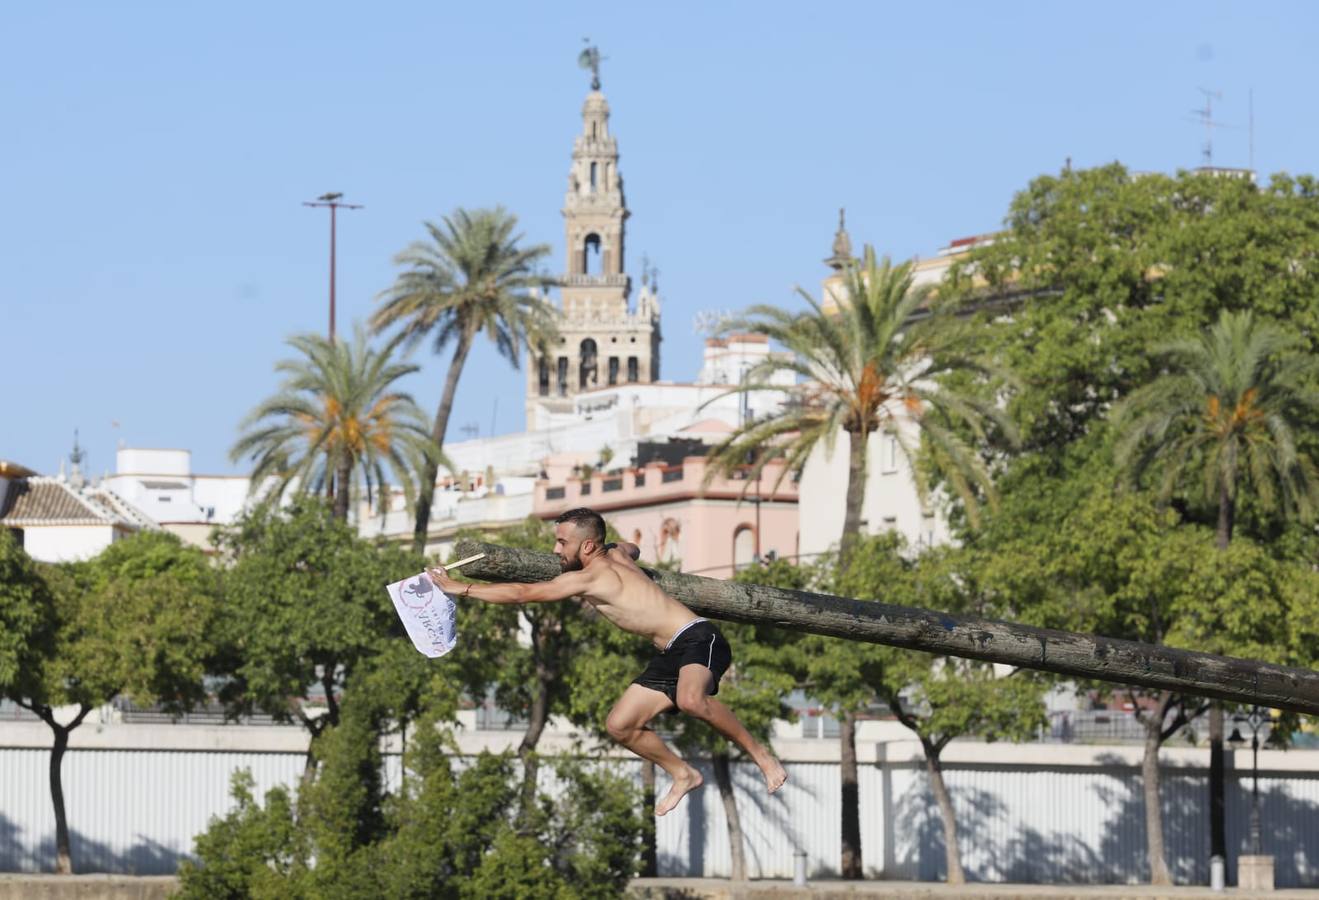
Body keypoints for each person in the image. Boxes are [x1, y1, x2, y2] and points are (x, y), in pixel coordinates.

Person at [427, 507, 788, 815]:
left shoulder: (590, 578)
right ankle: (683, 774)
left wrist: (461, 588)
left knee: (691, 699)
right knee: (620, 725)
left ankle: (762, 756)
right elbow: (632, 547)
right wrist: (621, 548)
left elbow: (524, 593)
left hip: (698, 638)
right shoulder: (616, 554)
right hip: (670, 652)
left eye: (562, 543)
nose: (555, 550)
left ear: (587, 546)